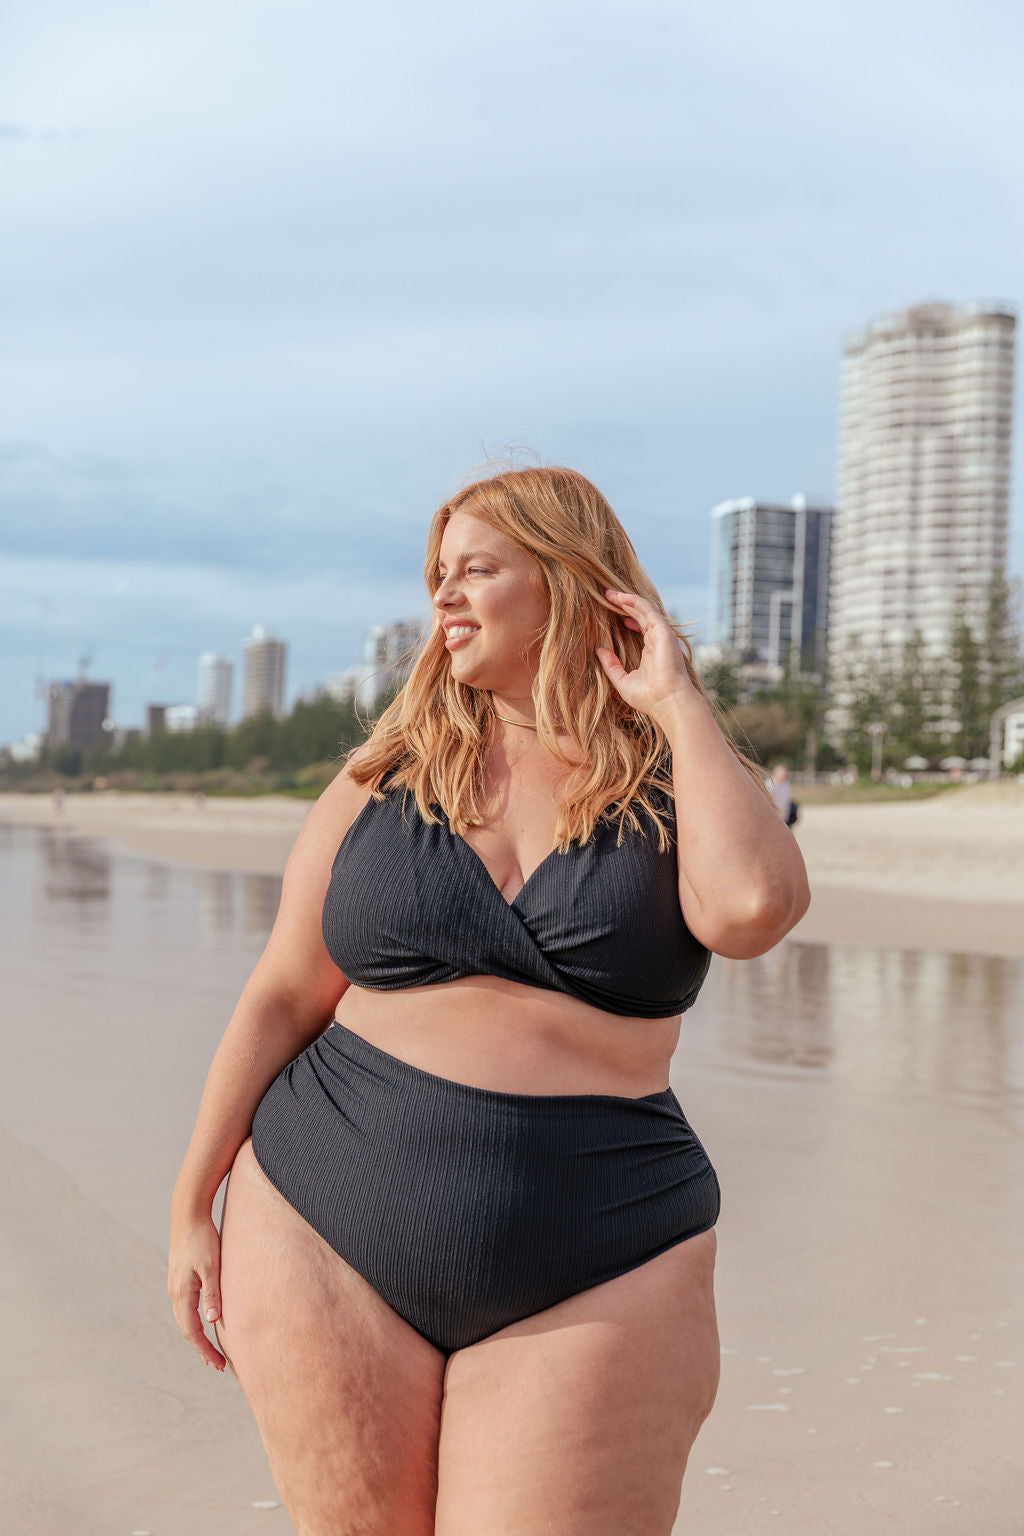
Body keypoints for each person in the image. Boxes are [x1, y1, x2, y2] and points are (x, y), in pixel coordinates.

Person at [169, 465, 810, 1535]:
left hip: (603, 1249)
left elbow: (750, 909)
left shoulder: (674, 778)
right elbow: (284, 993)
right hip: (324, 1217)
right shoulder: (387, 774)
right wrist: (194, 1202)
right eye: (436, 575)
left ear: (568, 583)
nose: (444, 598)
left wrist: (679, 701)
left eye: (476, 570)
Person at [767, 763, 799, 827]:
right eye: (783, 774)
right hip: (774, 816)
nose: (785, 775)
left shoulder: (785, 783)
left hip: (784, 815)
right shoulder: (770, 784)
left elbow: (786, 798)